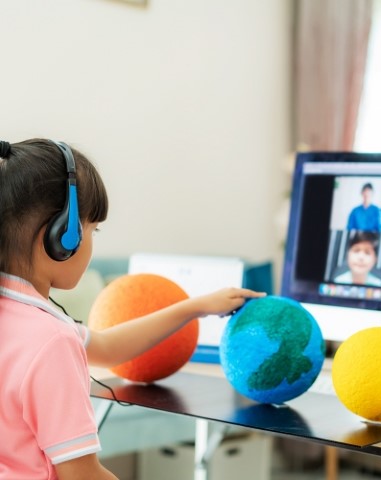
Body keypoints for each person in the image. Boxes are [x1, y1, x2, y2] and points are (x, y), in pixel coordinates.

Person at [0, 139, 265, 480]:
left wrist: (194, 307)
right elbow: (80, 474)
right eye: (93, 229)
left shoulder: (21, 319)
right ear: (62, 238)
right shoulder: (52, 342)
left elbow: (109, 348)